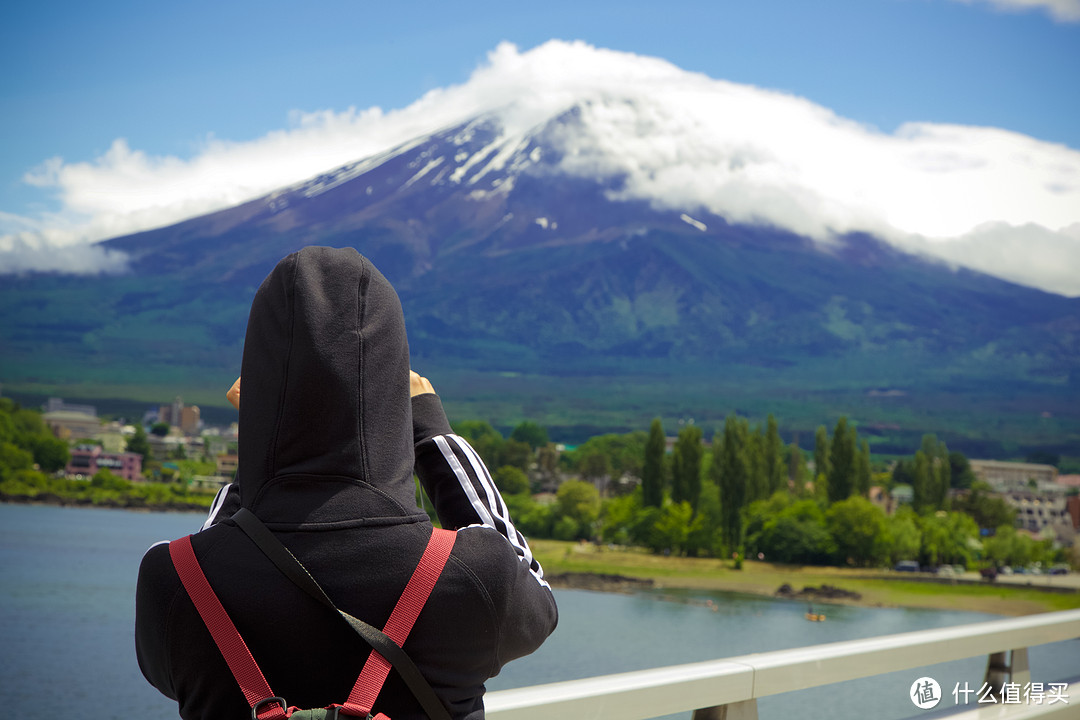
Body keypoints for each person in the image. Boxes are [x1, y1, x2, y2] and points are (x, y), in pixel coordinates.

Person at [136, 246, 558, 719]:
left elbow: (210, 559)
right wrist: (432, 432)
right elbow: (536, 593)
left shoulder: (173, 581)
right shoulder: (473, 577)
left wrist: (262, 440)